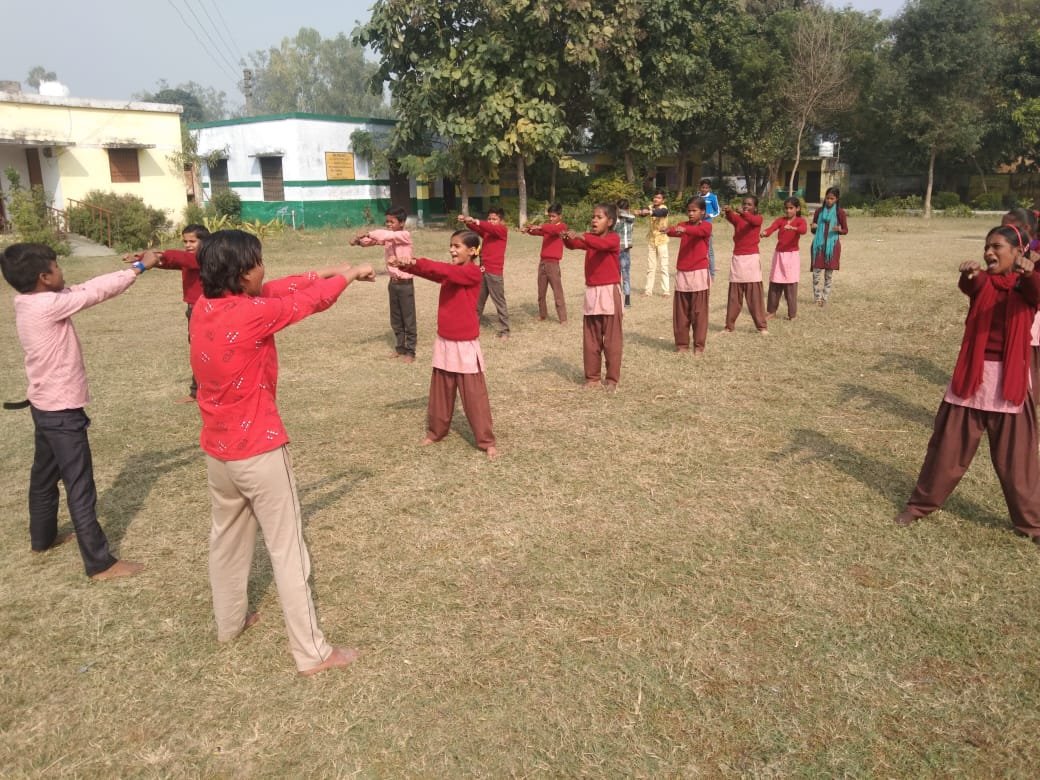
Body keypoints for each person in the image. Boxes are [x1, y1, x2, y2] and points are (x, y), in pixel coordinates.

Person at [191, 229, 375, 676]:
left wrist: (324, 270)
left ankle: (229, 623)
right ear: (241, 273)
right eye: (258, 263)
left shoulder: (203, 307)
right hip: (258, 454)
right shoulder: (253, 316)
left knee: (227, 541)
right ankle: (312, 653)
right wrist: (348, 275)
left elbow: (274, 291)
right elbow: (308, 303)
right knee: (288, 550)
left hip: (219, 455)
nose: (264, 270)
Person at [1, 242, 157, 580]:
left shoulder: (27, 301)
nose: (62, 271)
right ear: (44, 277)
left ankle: (42, 539)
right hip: (62, 411)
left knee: (43, 476)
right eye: (56, 267)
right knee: (79, 484)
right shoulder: (49, 305)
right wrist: (139, 268)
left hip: (44, 406)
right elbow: (96, 293)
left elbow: (84, 288)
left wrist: (133, 269)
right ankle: (99, 562)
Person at [894, 225, 1040, 545]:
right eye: (986, 247)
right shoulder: (982, 281)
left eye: (997, 247)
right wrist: (968, 275)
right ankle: (919, 506)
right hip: (972, 378)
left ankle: (1032, 524)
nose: (988, 253)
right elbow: (970, 286)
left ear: (1019, 251)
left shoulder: (1027, 285)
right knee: (945, 452)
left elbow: (1036, 293)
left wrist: (1029, 273)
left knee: (1018, 463)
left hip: (1011, 383)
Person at [388, 229, 498, 458]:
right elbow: (435, 273)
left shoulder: (473, 272)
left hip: (465, 344)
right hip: (445, 340)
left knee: (474, 396)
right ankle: (436, 431)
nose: (452, 250)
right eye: (451, 245)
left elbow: (442, 270)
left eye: (457, 246)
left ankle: (486, 441)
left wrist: (416, 261)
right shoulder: (453, 272)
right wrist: (406, 264)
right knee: (441, 392)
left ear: (472, 250)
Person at [127, 224, 210, 403]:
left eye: (192, 241)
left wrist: (155, 256)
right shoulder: (190, 259)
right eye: (185, 241)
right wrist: (144, 260)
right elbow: (172, 263)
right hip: (193, 309)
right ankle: (197, 391)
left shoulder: (204, 258)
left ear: (205, 242)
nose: (188, 245)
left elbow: (177, 258)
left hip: (205, 310)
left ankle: (203, 390)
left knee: (204, 349)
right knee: (197, 350)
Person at [563, 203, 624, 389]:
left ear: (610, 221)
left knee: (612, 339)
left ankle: (612, 379)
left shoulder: (613, 238)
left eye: (599, 217)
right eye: (593, 217)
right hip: (591, 291)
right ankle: (592, 378)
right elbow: (574, 245)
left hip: (609, 291)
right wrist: (566, 237)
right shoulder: (590, 239)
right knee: (591, 338)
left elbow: (600, 244)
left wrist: (582, 235)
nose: (594, 220)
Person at [351, 206, 417, 363]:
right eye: (386, 221)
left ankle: (410, 351)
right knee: (396, 318)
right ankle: (400, 348)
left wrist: (368, 233)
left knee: (408, 319)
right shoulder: (388, 237)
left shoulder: (404, 235)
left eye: (391, 221)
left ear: (402, 223)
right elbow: (373, 240)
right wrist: (358, 242)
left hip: (405, 284)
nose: (388, 224)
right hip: (393, 283)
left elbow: (381, 235)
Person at [666, 197, 713, 354]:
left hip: (699, 272)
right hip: (683, 272)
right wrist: (668, 230)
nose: (691, 213)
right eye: (689, 211)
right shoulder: (683, 225)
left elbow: (699, 232)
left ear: (702, 212)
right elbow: (674, 230)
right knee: (681, 312)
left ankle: (699, 346)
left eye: (694, 211)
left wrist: (684, 230)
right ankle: (682, 345)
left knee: (699, 312)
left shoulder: (706, 226)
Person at [459, 207, 510, 338]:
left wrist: (476, 220)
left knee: (499, 302)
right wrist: (466, 221)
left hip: (494, 273)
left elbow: (486, 227)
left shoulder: (502, 230)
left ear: (501, 221)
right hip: (483, 271)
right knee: (478, 301)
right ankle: (472, 326)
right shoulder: (488, 232)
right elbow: (479, 229)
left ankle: (505, 330)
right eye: (489, 219)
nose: (491, 221)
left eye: (495, 219)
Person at [722, 196, 768, 334]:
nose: (746, 206)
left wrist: (743, 212)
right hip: (738, 258)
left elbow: (753, 220)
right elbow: (731, 217)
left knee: (754, 296)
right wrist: (729, 211)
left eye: (749, 204)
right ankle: (729, 326)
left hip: (752, 259)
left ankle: (761, 326)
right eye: (744, 204)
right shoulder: (739, 219)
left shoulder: (758, 219)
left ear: (755, 207)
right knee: (734, 295)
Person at [761, 197, 808, 321]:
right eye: (786, 208)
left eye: (791, 208)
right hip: (779, 255)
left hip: (792, 256)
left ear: (797, 209)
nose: (788, 210)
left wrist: (793, 228)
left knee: (790, 285)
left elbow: (803, 230)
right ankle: (771, 311)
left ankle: (792, 314)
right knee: (775, 282)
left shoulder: (800, 221)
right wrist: (766, 232)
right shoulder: (781, 220)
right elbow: (772, 228)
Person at [522, 203, 569, 324]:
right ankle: (543, 314)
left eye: (553, 216)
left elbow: (552, 230)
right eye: (550, 216)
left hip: (553, 264)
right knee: (541, 291)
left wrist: (539, 226)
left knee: (557, 291)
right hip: (542, 263)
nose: (551, 219)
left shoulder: (562, 227)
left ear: (560, 216)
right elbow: (538, 232)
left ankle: (563, 318)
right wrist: (528, 229)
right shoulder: (547, 227)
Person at [810, 186, 848, 306]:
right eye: (827, 198)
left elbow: (846, 230)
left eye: (832, 198)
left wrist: (839, 229)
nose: (829, 201)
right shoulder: (818, 212)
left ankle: (824, 298)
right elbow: (813, 230)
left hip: (832, 247)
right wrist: (813, 227)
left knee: (828, 275)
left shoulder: (840, 213)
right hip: (818, 247)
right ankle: (817, 298)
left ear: (836, 199)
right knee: (816, 274)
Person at [636, 189, 670, 296]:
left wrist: (648, 212)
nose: (656, 199)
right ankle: (648, 291)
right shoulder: (650, 207)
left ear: (663, 200)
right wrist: (640, 212)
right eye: (655, 197)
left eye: (659, 198)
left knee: (664, 266)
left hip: (662, 240)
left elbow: (660, 213)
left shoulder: (664, 208)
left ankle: (666, 291)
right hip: (651, 240)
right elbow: (644, 212)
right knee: (651, 267)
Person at [698, 178, 721, 279]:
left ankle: (712, 274)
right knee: (698, 248)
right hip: (697, 225)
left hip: (707, 225)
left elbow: (717, 211)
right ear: (700, 188)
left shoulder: (713, 197)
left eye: (706, 188)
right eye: (703, 187)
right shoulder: (697, 197)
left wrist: (709, 215)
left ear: (709, 188)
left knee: (709, 250)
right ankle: (699, 271)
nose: (704, 189)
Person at [615, 198, 636, 308]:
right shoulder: (617, 219)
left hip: (624, 251)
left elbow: (630, 216)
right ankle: (621, 298)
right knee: (618, 275)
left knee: (624, 275)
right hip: (618, 250)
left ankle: (627, 299)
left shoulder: (630, 218)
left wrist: (619, 212)